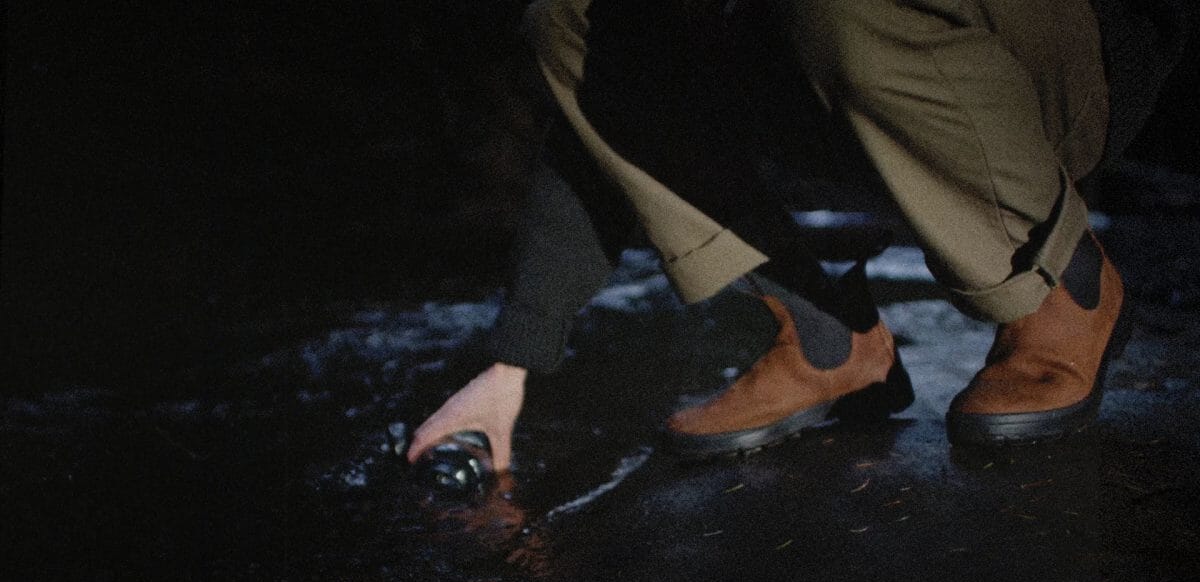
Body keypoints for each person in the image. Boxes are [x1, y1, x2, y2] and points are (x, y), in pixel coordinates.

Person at [407, 0, 1189, 471]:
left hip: (1052, 51)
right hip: (837, 56)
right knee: (577, 17)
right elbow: (609, 87)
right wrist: (512, 362)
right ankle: (824, 335)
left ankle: (1061, 286)